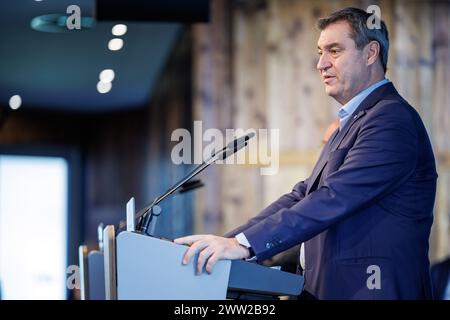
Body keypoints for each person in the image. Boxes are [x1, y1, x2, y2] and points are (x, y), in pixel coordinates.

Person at [175, 7, 437, 300]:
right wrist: (229, 241)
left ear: (370, 53)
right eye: (320, 52)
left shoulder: (391, 119)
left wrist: (245, 245)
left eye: (334, 51)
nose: (321, 64)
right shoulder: (353, 121)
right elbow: (304, 194)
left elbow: (335, 196)